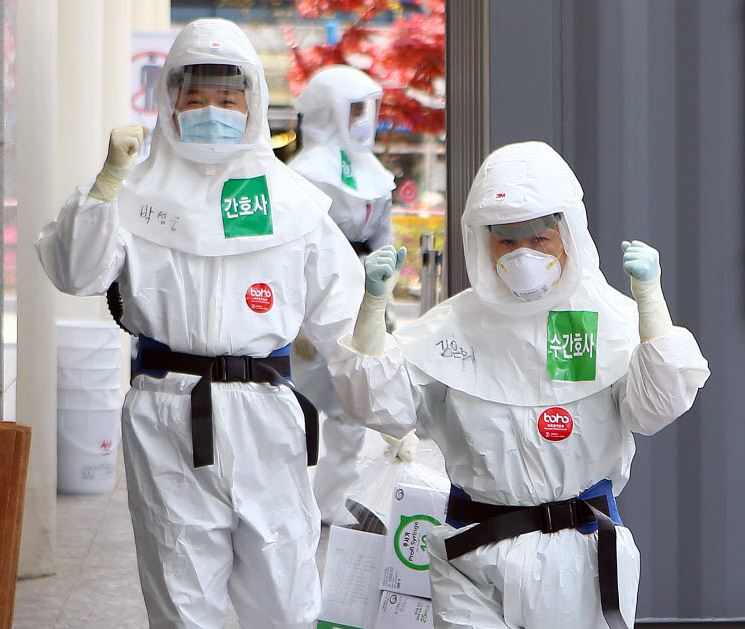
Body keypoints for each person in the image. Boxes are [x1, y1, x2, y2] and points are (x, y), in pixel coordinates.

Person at [36, 18, 371, 629]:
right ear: (169, 101)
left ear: (253, 105)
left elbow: (340, 322)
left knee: (286, 591)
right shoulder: (134, 191)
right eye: (195, 97)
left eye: (227, 97)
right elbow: (76, 272)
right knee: (182, 594)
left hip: (265, 409)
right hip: (168, 410)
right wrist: (107, 183)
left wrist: (385, 384)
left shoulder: (289, 200)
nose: (211, 110)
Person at [328, 141, 710, 629]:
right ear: (482, 241)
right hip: (471, 547)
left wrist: (651, 306)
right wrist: (371, 316)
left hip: (578, 554)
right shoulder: (452, 328)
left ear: (568, 234)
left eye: (539, 239)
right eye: (507, 241)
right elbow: (385, 409)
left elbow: (654, 410)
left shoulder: (607, 320)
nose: (522, 255)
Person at [287, 65, 398, 524]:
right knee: (300, 409)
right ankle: (306, 502)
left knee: (352, 407)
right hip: (314, 297)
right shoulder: (303, 176)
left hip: (358, 297)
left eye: (367, 109)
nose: (364, 120)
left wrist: (382, 301)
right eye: (354, 109)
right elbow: (291, 251)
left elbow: (384, 239)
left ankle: (330, 500)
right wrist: (296, 319)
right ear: (329, 113)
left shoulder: (374, 172)